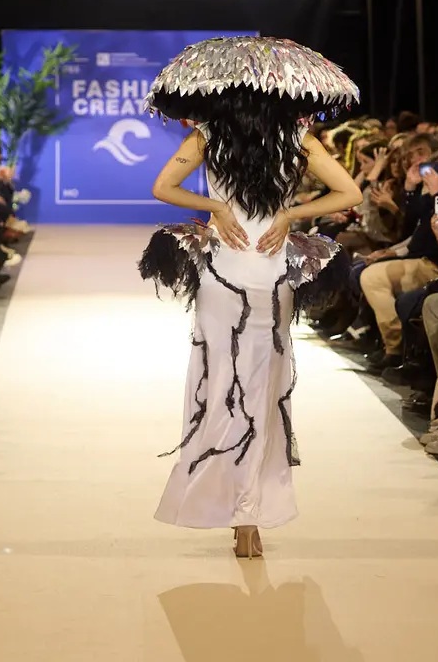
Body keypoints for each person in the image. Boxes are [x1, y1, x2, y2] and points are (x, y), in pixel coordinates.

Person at [139, 36, 362, 558]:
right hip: (271, 265)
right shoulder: (298, 137)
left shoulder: (207, 133)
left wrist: (217, 208)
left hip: (225, 266)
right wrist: (288, 214)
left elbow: (163, 188)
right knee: (263, 387)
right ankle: (250, 513)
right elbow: (349, 193)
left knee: (221, 383)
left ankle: (229, 503)